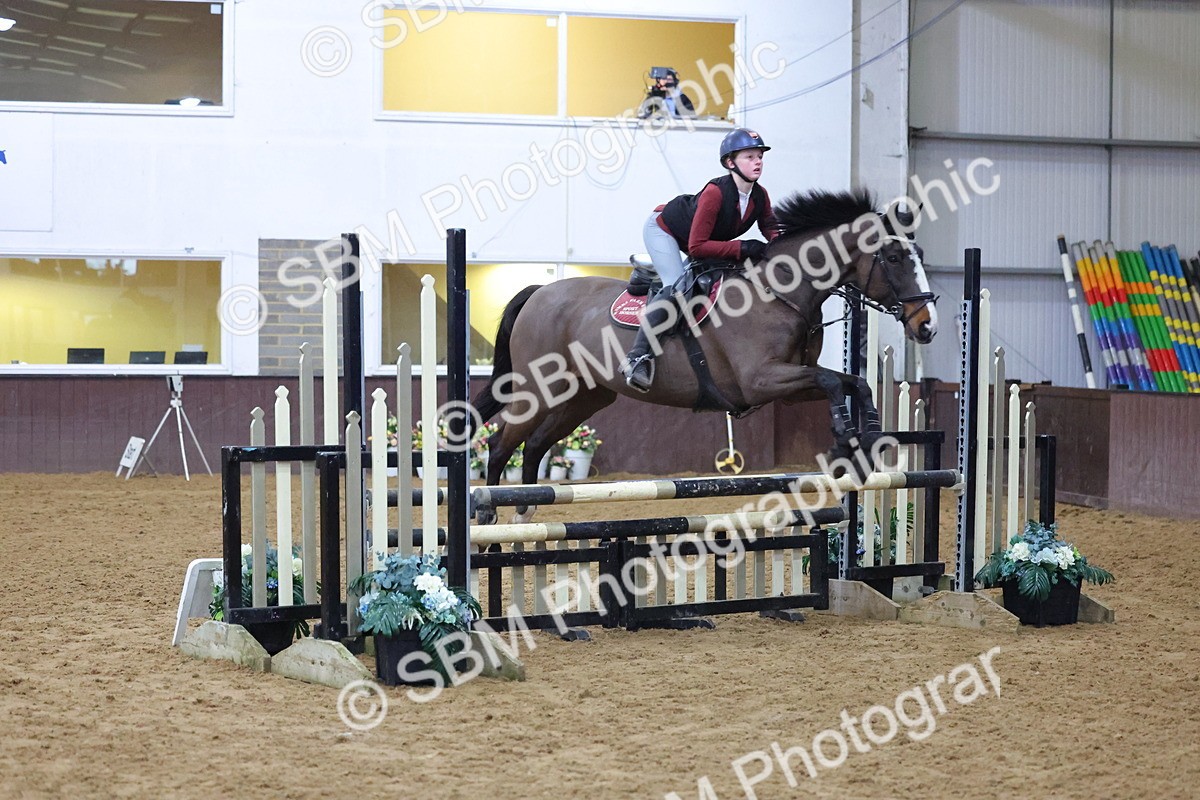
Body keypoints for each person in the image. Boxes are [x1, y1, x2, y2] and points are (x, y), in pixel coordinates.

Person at [621, 128, 779, 393]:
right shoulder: (715, 193)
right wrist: (743, 246)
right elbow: (697, 247)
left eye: (760, 156)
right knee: (677, 285)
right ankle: (637, 358)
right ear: (730, 163)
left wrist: (785, 247)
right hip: (664, 230)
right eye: (750, 156)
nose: (758, 161)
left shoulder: (759, 195)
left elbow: (771, 228)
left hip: (697, 239)